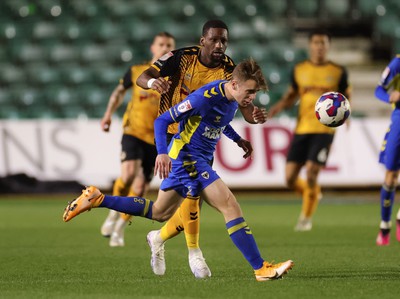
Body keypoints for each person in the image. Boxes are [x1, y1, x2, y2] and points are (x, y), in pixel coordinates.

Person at [63, 58, 294, 281]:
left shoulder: (232, 97)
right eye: (250, 92)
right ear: (234, 84)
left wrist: (238, 140)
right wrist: (162, 153)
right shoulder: (204, 98)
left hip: (198, 157)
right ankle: (260, 268)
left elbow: (218, 122)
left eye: (255, 93)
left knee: (160, 212)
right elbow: (162, 121)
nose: (252, 98)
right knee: (230, 206)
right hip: (187, 157)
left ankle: (97, 198)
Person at [136, 20, 267, 278]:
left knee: (171, 208)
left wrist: (249, 123)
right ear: (203, 40)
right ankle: (195, 255)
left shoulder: (230, 69)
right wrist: (154, 84)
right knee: (199, 198)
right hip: (175, 136)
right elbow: (144, 76)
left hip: (201, 139)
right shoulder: (180, 58)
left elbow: (232, 110)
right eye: (215, 40)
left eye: (224, 41)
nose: (220, 45)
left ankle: (158, 238)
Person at [268, 28, 351, 231]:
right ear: (310, 46)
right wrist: (279, 106)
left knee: (312, 171)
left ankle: (305, 218)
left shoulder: (338, 71)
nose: (319, 46)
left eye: (323, 43)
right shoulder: (299, 69)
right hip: (302, 128)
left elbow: (346, 95)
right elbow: (292, 94)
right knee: (289, 179)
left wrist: (347, 114)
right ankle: (312, 193)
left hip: (325, 130)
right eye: (316, 42)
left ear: (328, 46)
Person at [99, 32, 176, 247]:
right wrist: (107, 114)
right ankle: (113, 214)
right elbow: (118, 92)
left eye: (169, 45)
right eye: (161, 44)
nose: (164, 48)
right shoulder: (136, 72)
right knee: (128, 174)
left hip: (157, 139)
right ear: (153, 47)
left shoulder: (175, 78)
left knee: (141, 188)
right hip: (133, 131)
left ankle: (120, 229)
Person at [374, 54, 400, 246]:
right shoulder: (398, 63)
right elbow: (378, 90)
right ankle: (385, 225)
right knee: (391, 175)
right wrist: (390, 96)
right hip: (399, 121)